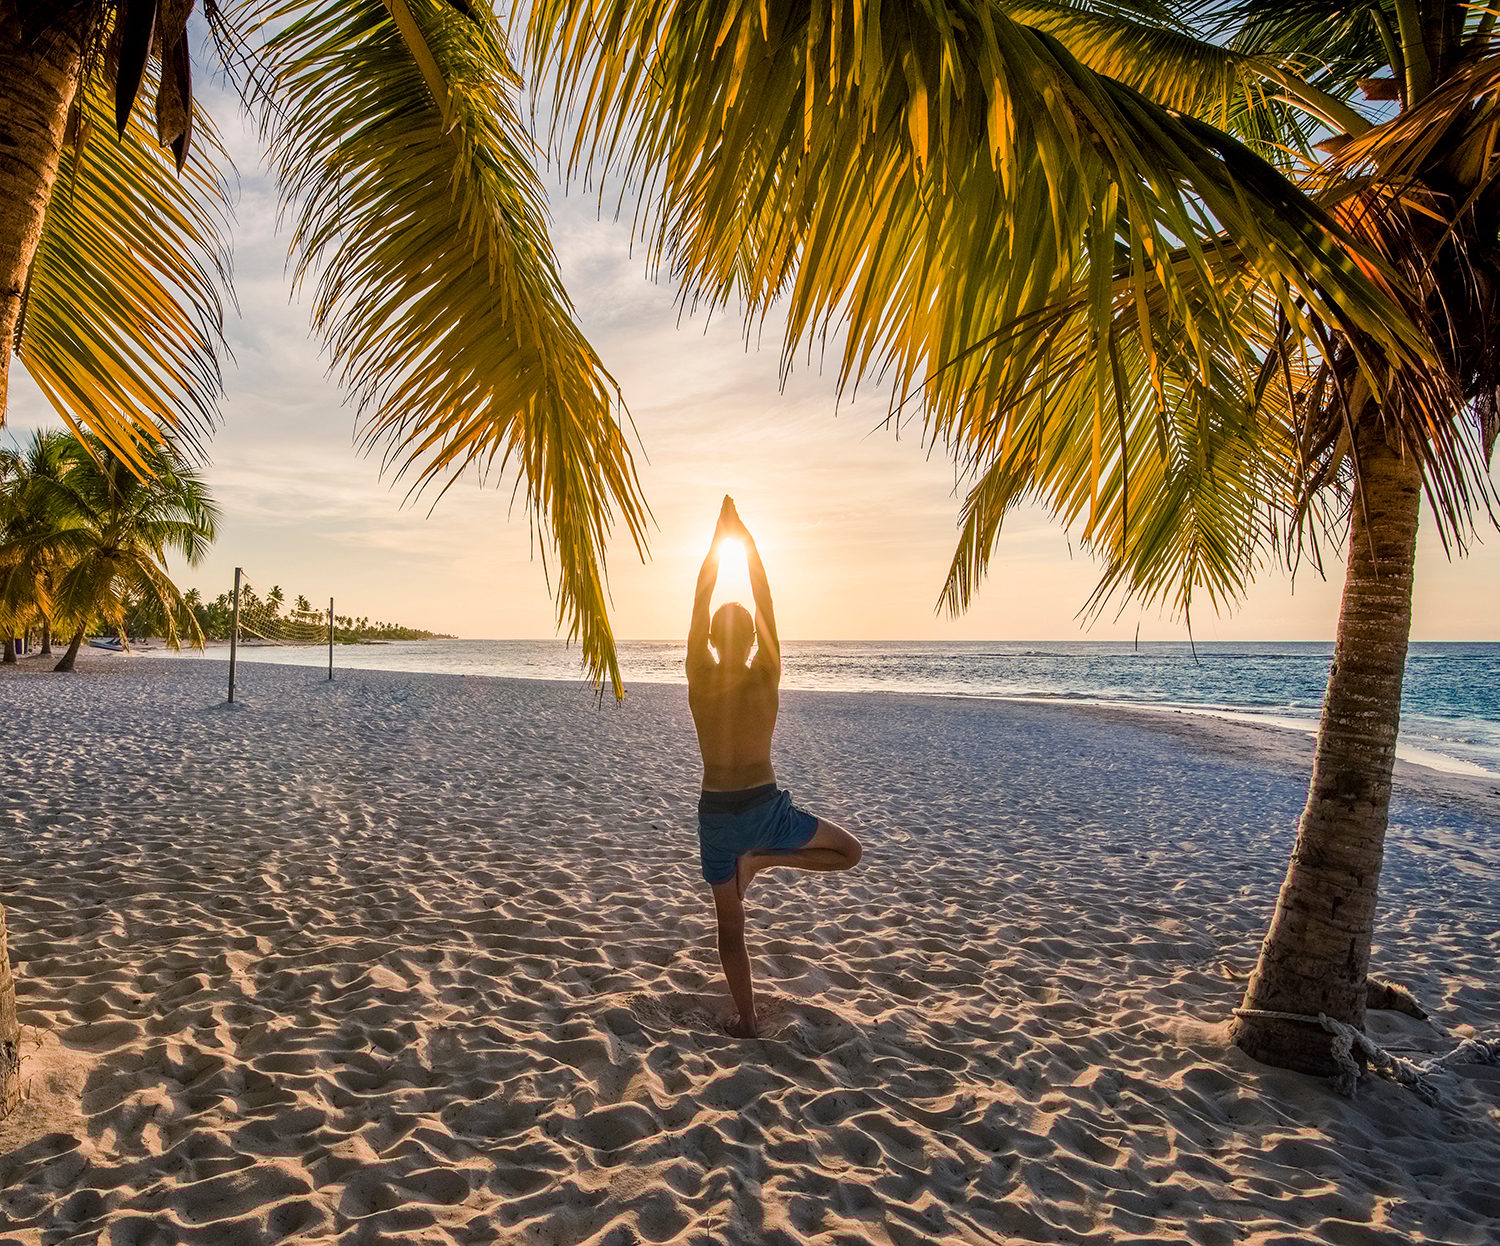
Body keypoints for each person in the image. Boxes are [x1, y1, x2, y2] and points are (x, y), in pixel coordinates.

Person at [687, 495, 862, 1037]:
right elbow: (765, 600)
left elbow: (700, 598)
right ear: (756, 640)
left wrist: (718, 542)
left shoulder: (698, 673)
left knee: (730, 927)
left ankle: (747, 1018)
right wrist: (746, 541)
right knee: (849, 853)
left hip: (716, 815)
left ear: (713, 640)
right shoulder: (766, 673)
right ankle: (763, 859)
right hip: (765, 812)